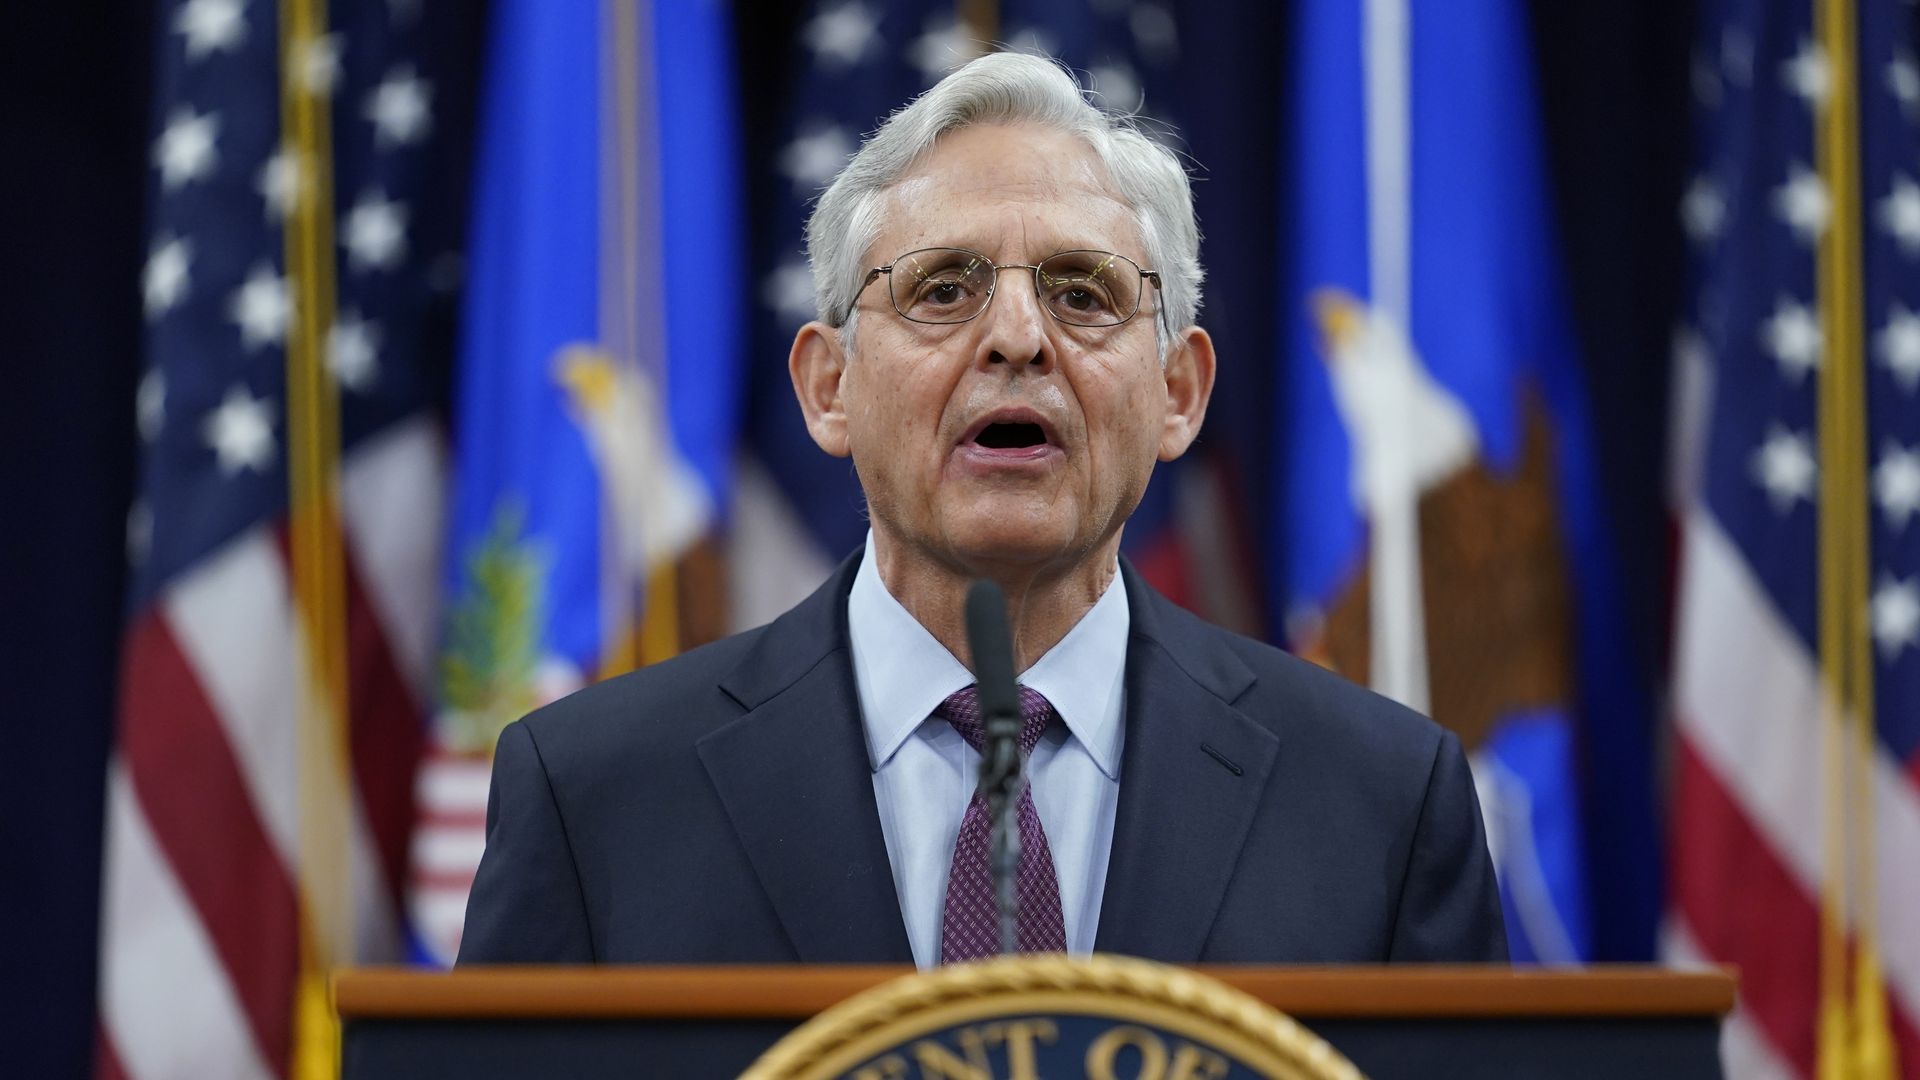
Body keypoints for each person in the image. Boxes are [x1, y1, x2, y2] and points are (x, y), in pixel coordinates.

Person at [458, 52, 1506, 968]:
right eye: (943, 289)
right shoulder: (595, 798)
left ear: (1179, 393)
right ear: (830, 389)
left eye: (1083, 292)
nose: (1017, 336)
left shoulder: (1382, 803)